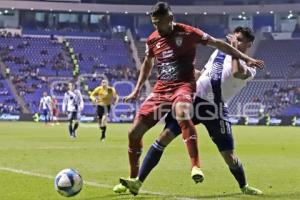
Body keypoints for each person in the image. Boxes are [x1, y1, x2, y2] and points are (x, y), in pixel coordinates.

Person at [113, 2, 264, 194]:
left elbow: (236, 72)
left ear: (248, 44)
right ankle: (137, 182)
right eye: (236, 38)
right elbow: (205, 72)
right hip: (195, 99)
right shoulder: (219, 53)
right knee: (163, 137)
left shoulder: (250, 68)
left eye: (241, 40)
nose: (237, 41)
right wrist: (186, 72)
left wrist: (238, 52)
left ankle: (244, 186)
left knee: (229, 156)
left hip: (215, 108)